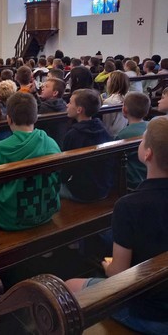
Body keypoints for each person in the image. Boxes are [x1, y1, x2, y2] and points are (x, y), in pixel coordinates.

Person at [65, 117, 168, 334]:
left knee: (67, 289)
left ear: (147, 153)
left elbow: (118, 274)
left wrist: (106, 265)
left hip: (148, 313)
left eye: (142, 140)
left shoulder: (129, 206)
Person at [0, 92, 61, 231]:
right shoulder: (51, 143)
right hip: (46, 211)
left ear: (9, 119)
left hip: (9, 218)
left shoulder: (2, 149)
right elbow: (58, 178)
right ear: (35, 118)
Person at [61, 89, 113, 202]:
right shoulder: (103, 129)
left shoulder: (73, 135)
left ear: (79, 110)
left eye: (70, 102)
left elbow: (65, 169)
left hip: (83, 192)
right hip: (104, 188)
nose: (67, 105)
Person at [116, 92, 150, 190]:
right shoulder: (152, 126)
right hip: (150, 176)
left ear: (124, 109)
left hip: (133, 182)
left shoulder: (123, 135)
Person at [101, 70, 129, 137]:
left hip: (112, 136)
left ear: (112, 83)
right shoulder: (127, 97)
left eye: (108, 79)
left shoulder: (109, 102)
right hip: (124, 131)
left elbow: (106, 124)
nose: (107, 81)